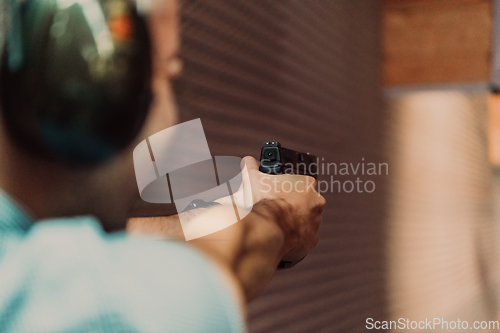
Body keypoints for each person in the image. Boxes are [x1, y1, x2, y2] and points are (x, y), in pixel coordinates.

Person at [0, 0, 325, 331]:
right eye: (167, 73)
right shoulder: (112, 313)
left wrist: (243, 204)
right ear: (95, 93)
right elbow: (211, 270)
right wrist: (281, 218)